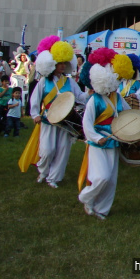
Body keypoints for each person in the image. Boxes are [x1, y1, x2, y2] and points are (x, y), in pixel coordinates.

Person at [21, 36, 89, 187]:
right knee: (47, 150)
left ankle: (54, 178)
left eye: (65, 63)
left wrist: (90, 92)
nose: (63, 66)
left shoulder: (70, 82)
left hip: (65, 121)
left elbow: (79, 97)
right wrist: (35, 114)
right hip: (48, 120)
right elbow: (35, 99)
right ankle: (43, 171)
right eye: (60, 63)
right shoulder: (44, 82)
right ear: (52, 64)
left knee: (62, 151)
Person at [77, 49, 133, 220]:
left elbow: (130, 114)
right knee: (102, 177)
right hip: (99, 143)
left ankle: (102, 209)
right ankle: (86, 197)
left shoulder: (117, 97)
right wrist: (96, 138)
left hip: (114, 141)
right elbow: (86, 124)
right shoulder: (94, 100)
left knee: (111, 180)